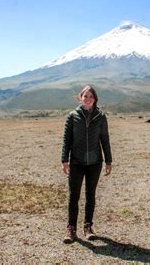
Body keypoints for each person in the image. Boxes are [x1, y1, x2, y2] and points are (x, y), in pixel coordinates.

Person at [60, 85, 112, 243]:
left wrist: (108, 161)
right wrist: (64, 160)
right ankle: (71, 229)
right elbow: (66, 140)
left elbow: (105, 140)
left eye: (91, 96)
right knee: (73, 196)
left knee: (91, 195)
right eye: (85, 96)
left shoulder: (101, 117)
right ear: (80, 98)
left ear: (95, 99)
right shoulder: (72, 116)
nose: (88, 99)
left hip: (95, 163)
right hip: (76, 162)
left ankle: (88, 227)